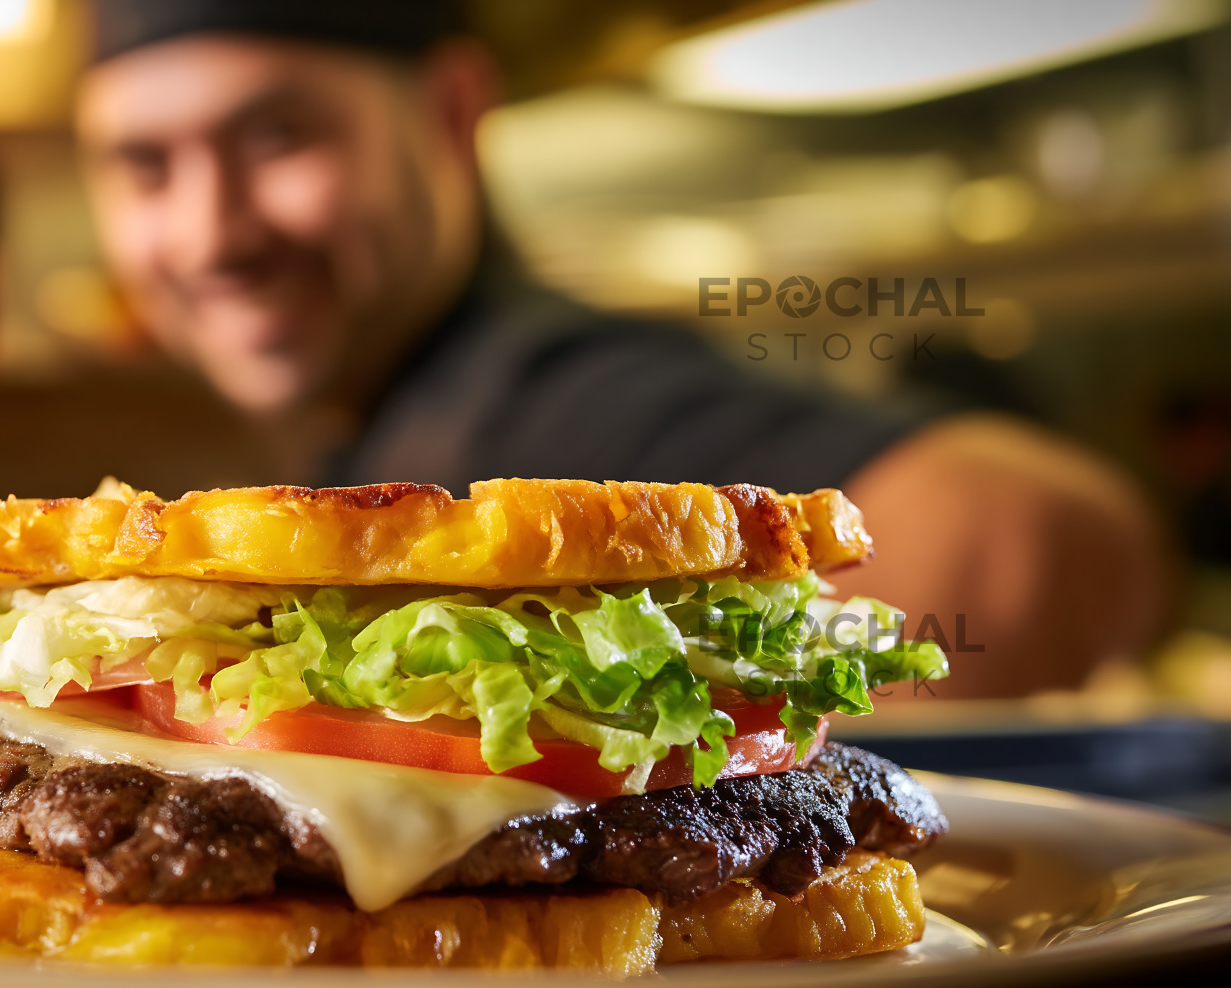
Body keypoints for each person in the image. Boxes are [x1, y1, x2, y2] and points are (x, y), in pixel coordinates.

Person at [73, 0, 1168, 698]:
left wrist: (728, 774)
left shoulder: (548, 405)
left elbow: (1035, 534)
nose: (208, 234)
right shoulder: (373, 417)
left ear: (451, 115)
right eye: (144, 166)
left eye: (279, 136)